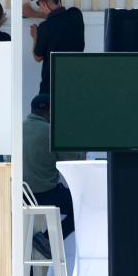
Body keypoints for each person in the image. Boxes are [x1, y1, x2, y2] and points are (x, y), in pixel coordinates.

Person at [23, 93, 80, 246]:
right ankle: (46, 240)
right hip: (44, 195)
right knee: (80, 207)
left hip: (22, 196)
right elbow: (74, 160)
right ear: (50, 112)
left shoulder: (19, 128)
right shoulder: (51, 131)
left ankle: (38, 244)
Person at [27, 0, 84, 94]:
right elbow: (59, 17)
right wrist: (33, 13)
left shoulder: (45, 27)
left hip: (51, 87)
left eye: (38, 3)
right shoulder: (76, 14)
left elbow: (38, 57)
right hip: (75, 84)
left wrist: (35, 36)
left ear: (43, 2)